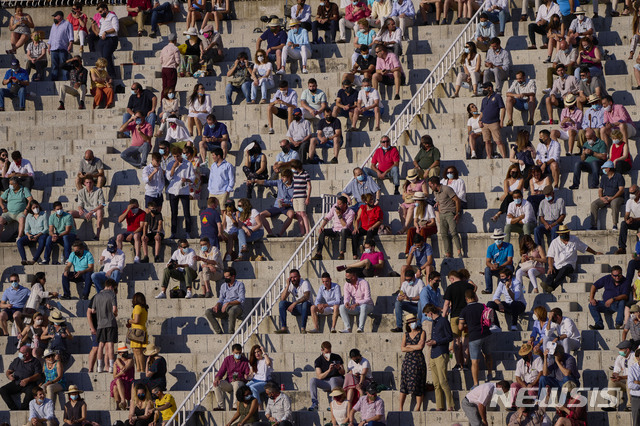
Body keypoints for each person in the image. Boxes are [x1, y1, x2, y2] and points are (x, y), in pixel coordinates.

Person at [542, 226, 601, 292]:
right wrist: (550, 267)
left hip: (569, 264)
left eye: (566, 233)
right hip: (557, 264)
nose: (565, 236)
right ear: (559, 234)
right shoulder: (554, 242)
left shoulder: (574, 239)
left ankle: (553, 286)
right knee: (552, 271)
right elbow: (550, 256)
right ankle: (547, 284)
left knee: (564, 270)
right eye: (563, 234)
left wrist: (595, 252)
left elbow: (584, 247)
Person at [459, 289, 494, 388]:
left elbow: (460, 328)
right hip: (487, 334)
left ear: (466, 299)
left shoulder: (464, 310)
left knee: (474, 361)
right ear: (475, 296)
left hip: (474, 337)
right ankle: (490, 373)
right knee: (488, 354)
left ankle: (475, 383)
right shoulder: (483, 306)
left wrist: (466, 324)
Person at [88, 278, 118, 375]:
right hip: (110, 322)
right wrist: (114, 313)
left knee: (100, 345)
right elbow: (114, 309)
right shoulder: (112, 294)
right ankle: (111, 366)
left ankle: (99, 366)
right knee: (110, 344)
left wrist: (101, 311)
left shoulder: (97, 296)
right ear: (111, 287)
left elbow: (92, 311)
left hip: (100, 324)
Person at [428, 176, 462, 258]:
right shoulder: (435, 192)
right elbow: (439, 202)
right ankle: (448, 253)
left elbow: (457, 200)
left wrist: (457, 213)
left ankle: (459, 252)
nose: (430, 187)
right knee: (443, 234)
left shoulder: (447, 189)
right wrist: (439, 213)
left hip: (450, 212)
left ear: (435, 184)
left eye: (430, 185)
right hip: (442, 214)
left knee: (454, 233)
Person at [312, 196, 355, 261]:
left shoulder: (351, 212)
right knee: (323, 231)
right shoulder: (335, 207)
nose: (337, 205)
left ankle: (342, 253)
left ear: (345, 205)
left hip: (346, 231)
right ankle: (318, 253)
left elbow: (345, 226)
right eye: (337, 203)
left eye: (340, 204)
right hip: (335, 229)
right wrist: (322, 226)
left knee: (343, 230)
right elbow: (328, 217)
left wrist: (339, 215)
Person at [399, 313, 426, 411]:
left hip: (418, 360)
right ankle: (400, 408)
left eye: (414, 321)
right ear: (408, 324)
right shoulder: (406, 334)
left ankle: (418, 407)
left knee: (419, 382)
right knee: (404, 384)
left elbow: (420, 347)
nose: (413, 324)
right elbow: (402, 348)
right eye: (411, 322)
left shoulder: (422, 332)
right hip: (408, 361)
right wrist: (414, 347)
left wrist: (408, 347)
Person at [166, 147, 196, 239]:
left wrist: (187, 179)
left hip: (184, 190)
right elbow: (168, 177)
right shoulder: (170, 164)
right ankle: (173, 233)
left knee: (186, 212)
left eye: (178, 156)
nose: (176, 158)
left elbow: (193, 177)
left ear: (181, 154)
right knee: (173, 213)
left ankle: (188, 233)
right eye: (174, 156)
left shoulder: (188, 164)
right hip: (173, 190)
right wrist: (173, 168)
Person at [588, 266, 630, 330]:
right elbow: (594, 286)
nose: (617, 277)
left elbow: (625, 296)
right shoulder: (607, 278)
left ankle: (618, 324)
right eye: (615, 275)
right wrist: (591, 298)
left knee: (622, 301)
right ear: (611, 275)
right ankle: (599, 325)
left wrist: (613, 299)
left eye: (619, 275)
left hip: (617, 304)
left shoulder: (625, 281)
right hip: (605, 303)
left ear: (621, 273)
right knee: (591, 305)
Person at [0, 345, 41, 410]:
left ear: (27, 354)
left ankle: (23, 408)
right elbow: (9, 371)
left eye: (21, 353)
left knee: (31, 393)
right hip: (17, 382)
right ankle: (14, 408)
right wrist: (9, 376)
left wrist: (28, 379)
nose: (19, 354)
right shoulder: (17, 360)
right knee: (3, 390)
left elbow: (38, 375)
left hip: (29, 384)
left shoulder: (35, 362)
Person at [205, 267, 245, 334]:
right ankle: (219, 332)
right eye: (225, 276)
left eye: (227, 277)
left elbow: (241, 299)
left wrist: (228, 303)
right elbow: (221, 299)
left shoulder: (240, 285)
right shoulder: (223, 286)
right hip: (224, 308)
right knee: (208, 312)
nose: (225, 278)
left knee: (232, 311)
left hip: (236, 307)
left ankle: (230, 333)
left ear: (233, 276)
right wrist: (217, 305)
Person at [308, 341, 345, 411]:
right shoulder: (318, 360)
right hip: (326, 381)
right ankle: (314, 403)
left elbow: (343, 373)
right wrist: (329, 370)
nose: (328, 354)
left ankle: (334, 402)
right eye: (326, 352)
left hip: (338, 380)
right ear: (322, 350)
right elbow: (319, 376)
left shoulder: (337, 357)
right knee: (312, 380)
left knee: (333, 379)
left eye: (329, 352)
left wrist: (339, 368)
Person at [212, 344, 250, 411]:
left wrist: (240, 378)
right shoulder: (227, 359)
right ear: (232, 352)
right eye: (236, 353)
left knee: (237, 383)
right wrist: (217, 379)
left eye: (239, 353)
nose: (238, 354)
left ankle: (235, 406)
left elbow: (247, 376)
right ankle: (221, 406)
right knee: (216, 384)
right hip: (229, 381)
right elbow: (221, 371)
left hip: (240, 382)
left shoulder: (245, 361)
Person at [590, 160, 625, 230]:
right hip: (606, 197)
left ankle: (615, 224)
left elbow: (621, 190)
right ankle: (594, 225)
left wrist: (612, 198)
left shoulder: (619, 176)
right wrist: (601, 197)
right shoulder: (603, 177)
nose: (604, 170)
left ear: (608, 169)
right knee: (594, 204)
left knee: (614, 203)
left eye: (605, 168)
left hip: (617, 197)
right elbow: (600, 189)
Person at [339, 268, 374, 333]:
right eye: (346, 277)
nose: (347, 279)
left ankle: (360, 328)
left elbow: (368, 299)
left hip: (368, 306)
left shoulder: (364, 283)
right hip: (355, 307)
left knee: (363, 306)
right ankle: (348, 328)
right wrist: (346, 302)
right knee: (341, 307)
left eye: (348, 277)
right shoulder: (347, 284)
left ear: (354, 276)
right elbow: (346, 297)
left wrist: (357, 303)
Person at [604, 340, 634, 411]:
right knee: (612, 382)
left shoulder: (634, 357)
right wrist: (615, 376)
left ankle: (630, 405)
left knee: (629, 381)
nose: (619, 351)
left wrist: (621, 377)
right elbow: (616, 369)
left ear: (627, 350)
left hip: (635, 382)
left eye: (621, 349)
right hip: (624, 381)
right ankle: (612, 405)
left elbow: (634, 375)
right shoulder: (619, 357)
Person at [43, 201, 75, 266]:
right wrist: (53, 235)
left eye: (61, 208)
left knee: (65, 237)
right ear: (54, 210)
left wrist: (58, 236)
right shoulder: (52, 217)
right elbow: (50, 230)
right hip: (59, 235)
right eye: (58, 209)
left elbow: (67, 231)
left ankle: (68, 258)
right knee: (49, 238)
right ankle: (46, 259)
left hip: (70, 234)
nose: (60, 210)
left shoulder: (68, 216)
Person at [479, 82, 507, 159]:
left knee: (498, 141)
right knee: (487, 141)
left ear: (490, 88)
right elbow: (482, 111)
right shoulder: (484, 99)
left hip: (494, 122)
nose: (484, 90)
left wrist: (501, 121)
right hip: (485, 123)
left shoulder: (497, 97)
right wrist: (479, 120)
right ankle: (489, 156)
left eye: (485, 88)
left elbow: (503, 108)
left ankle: (504, 157)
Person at [352, 194, 383, 259]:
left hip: (373, 227)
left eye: (372, 199)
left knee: (369, 232)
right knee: (355, 234)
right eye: (370, 200)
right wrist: (356, 228)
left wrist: (373, 227)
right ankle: (355, 254)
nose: (372, 201)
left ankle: (366, 249)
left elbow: (380, 221)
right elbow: (357, 219)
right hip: (364, 227)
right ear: (366, 201)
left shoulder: (377, 208)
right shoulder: (362, 207)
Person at [483, 228, 514, 294]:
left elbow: (509, 261)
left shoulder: (509, 246)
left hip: (505, 267)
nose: (497, 240)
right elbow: (487, 261)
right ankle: (488, 289)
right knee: (487, 269)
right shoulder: (490, 248)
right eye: (495, 239)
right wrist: (492, 266)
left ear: (502, 238)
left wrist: (500, 266)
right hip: (496, 268)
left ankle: (508, 287)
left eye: (499, 239)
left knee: (510, 268)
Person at [17, 201, 47, 266]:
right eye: (33, 207)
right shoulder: (29, 216)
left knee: (42, 241)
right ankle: (24, 259)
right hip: (32, 234)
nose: (36, 209)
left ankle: (34, 260)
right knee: (19, 242)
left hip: (41, 234)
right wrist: (28, 235)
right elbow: (26, 229)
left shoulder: (43, 214)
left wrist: (37, 236)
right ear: (31, 208)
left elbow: (46, 228)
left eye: (37, 207)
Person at [115, 199, 145, 263]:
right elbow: (119, 220)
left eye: (136, 207)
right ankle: (118, 256)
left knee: (136, 236)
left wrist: (132, 234)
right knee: (119, 237)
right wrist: (128, 210)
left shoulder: (142, 213)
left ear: (138, 205)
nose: (135, 209)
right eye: (133, 207)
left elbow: (141, 226)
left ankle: (137, 256)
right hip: (128, 232)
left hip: (138, 232)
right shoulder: (128, 211)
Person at [48, 11, 74, 82]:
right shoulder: (53, 25)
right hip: (53, 48)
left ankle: (65, 80)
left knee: (64, 65)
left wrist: (70, 44)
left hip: (63, 48)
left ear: (60, 16)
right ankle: (53, 81)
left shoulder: (67, 24)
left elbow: (71, 36)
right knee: (54, 66)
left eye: (55, 16)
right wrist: (49, 46)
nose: (54, 18)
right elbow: (51, 36)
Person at [127, 293, 149, 373]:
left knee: (137, 352)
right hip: (142, 330)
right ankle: (140, 369)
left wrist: (129, 321)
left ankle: (140, 369)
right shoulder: (144, 308)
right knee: (138, 352)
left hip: (137, 332)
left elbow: (136, 320)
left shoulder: (137, 307)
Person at [111, 343, 135, 411]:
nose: (124, 353)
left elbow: (124, 368)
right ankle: (120, 403)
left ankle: (123, 401)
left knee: (117, 383)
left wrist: (118, 361)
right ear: (119, 353)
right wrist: (120, 373)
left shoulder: (130, 360)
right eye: (122, 352)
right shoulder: (116, 362)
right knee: (116, 383)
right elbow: (114, 376)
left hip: (129, 380)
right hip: (120, 381)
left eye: (125, 351)